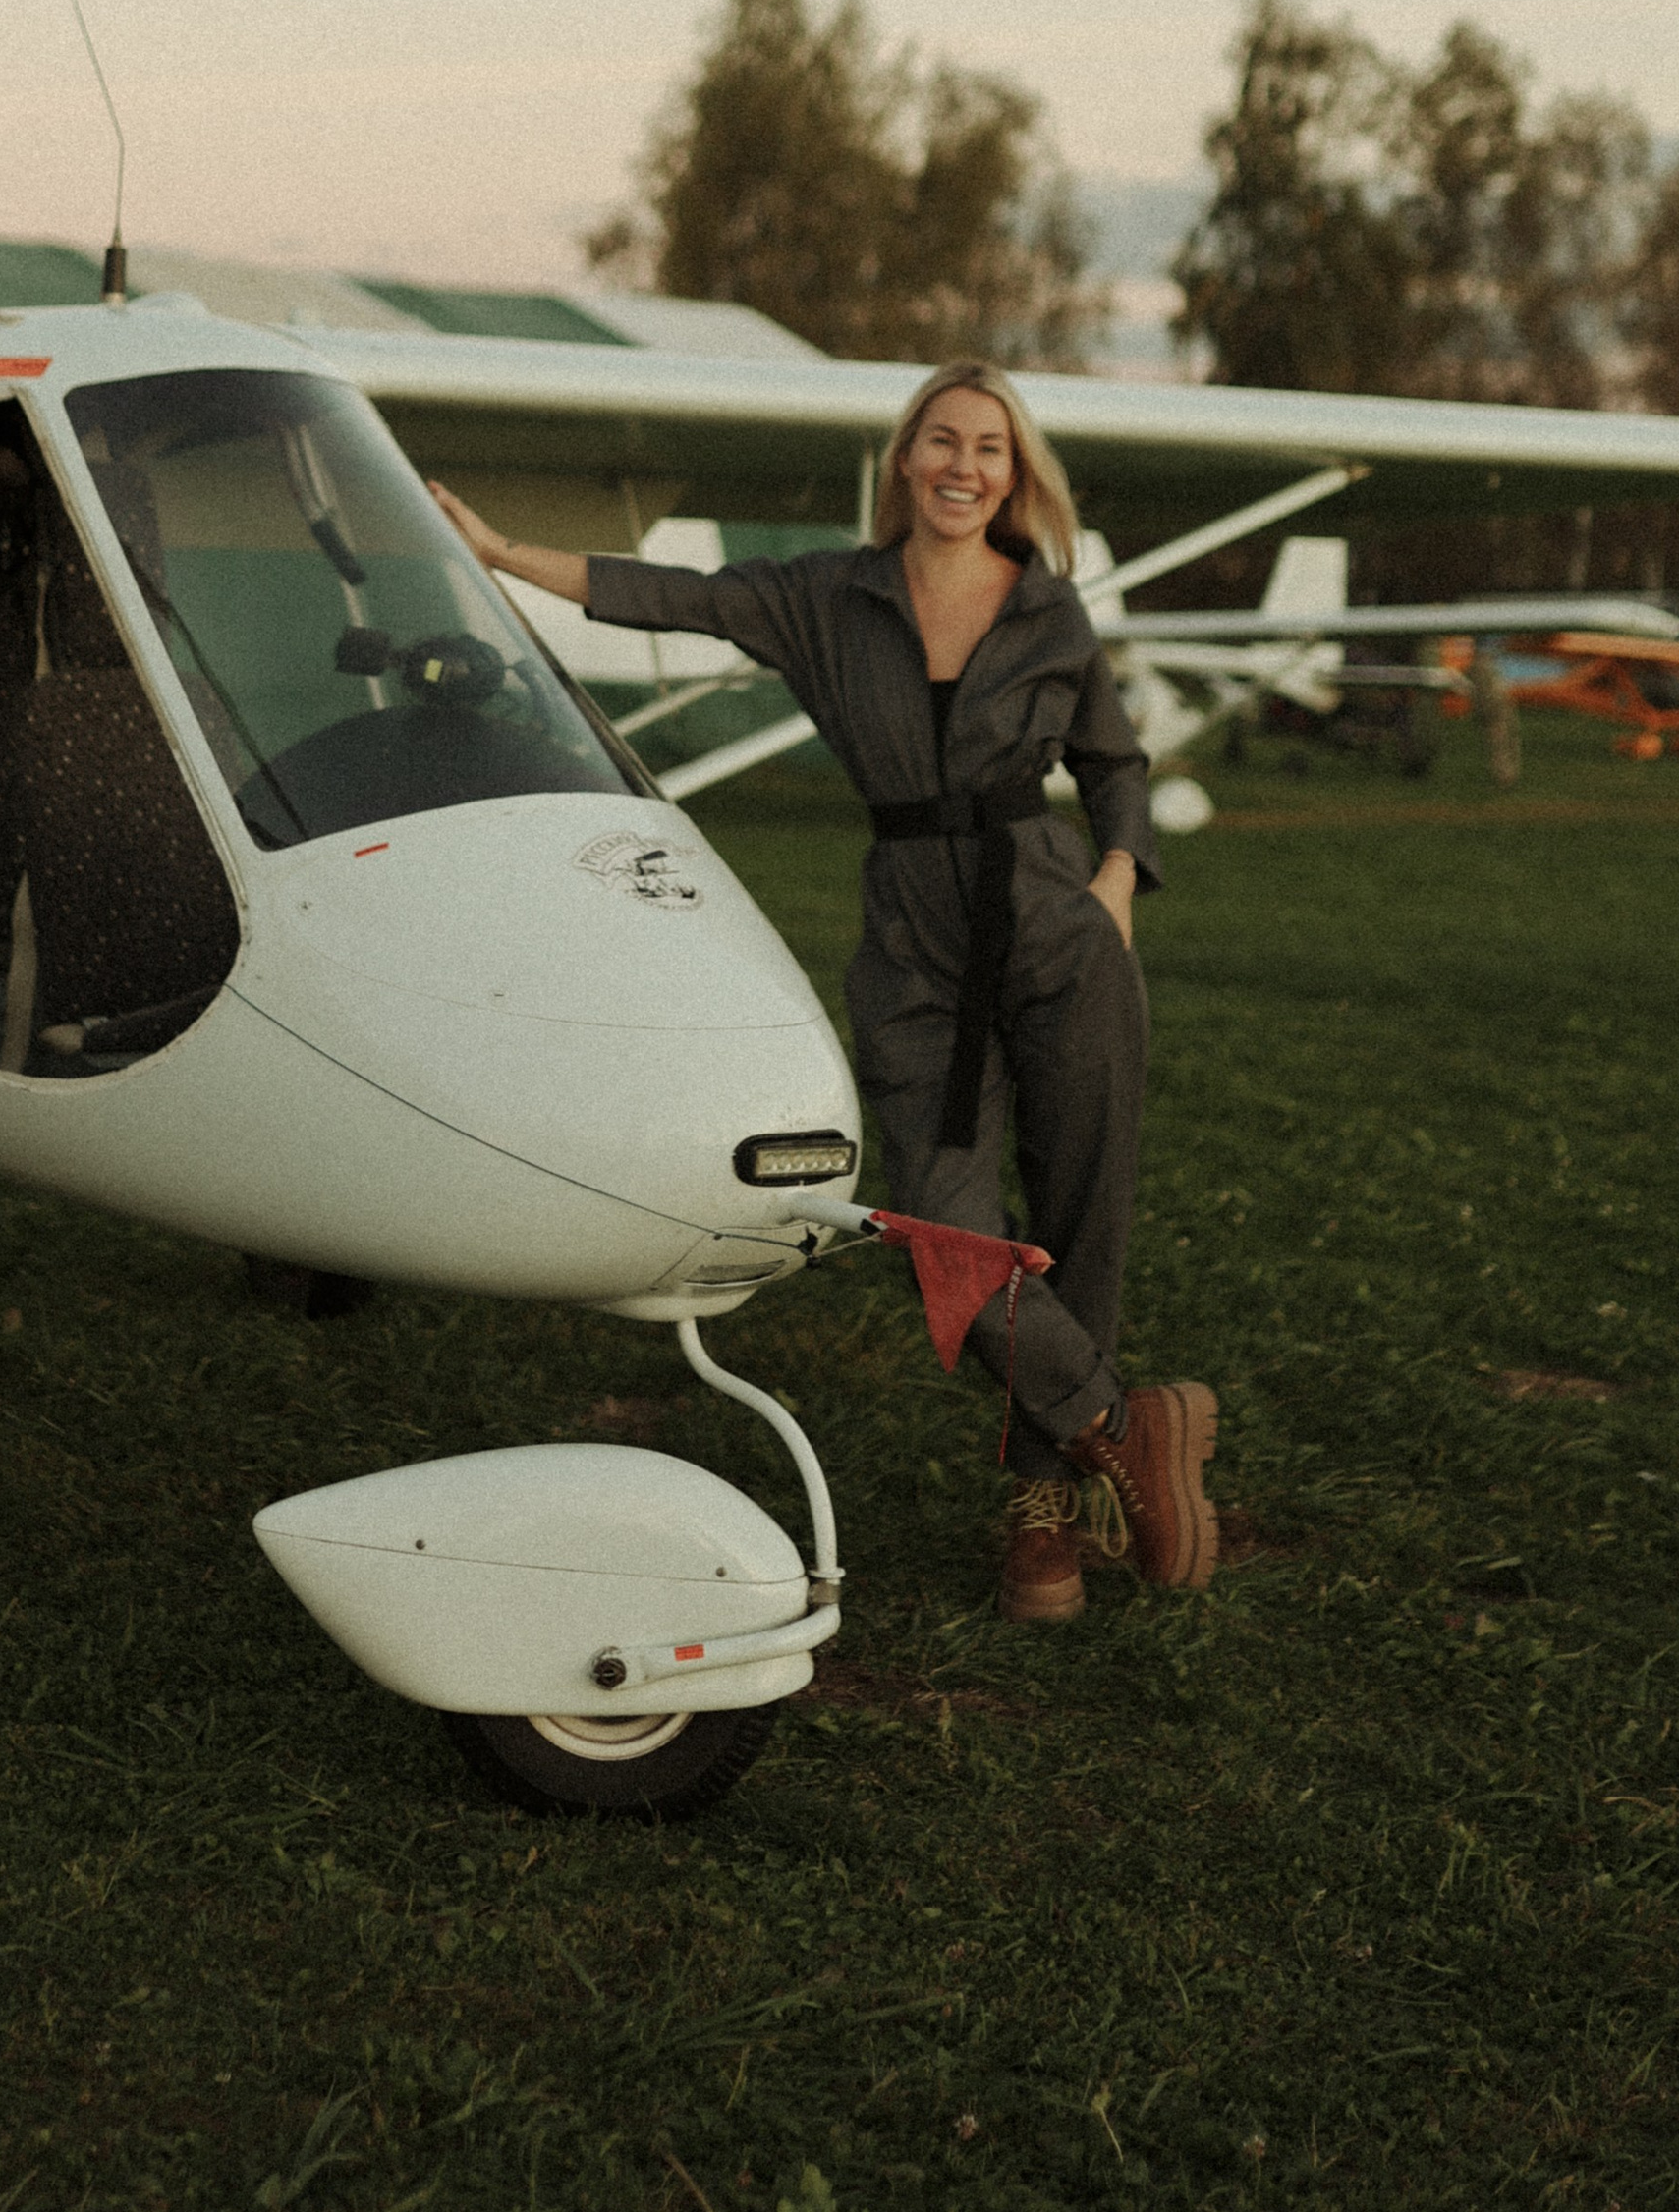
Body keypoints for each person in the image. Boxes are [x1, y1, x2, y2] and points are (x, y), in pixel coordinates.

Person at [430, 359, 1218, 1624]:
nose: (965, 467)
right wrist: (499, 547)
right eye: (944, 441)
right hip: (913, 941)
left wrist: (1119, 881)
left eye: (992, 451)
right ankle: (1125, 1430)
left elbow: (1114, 762)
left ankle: (1043, 1519)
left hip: (1055, 925)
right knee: (947, 1237)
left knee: (1083, 1220)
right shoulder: (820, 597)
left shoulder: (1049, 609)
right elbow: (664, 595)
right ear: (904, 458)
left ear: (1015, 479)